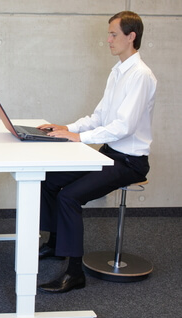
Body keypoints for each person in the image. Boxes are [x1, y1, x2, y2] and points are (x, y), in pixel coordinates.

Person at [36, 11, 157, 293]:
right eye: (109, 34)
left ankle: (75, 273)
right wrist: (66, 127)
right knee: (50, 179)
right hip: (110, 153)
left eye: (114, 34)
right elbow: (100, 116)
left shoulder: (140, 76)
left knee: (69, 196)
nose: (108, 40)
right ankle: (56, 244)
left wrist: (79, 138)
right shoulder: (117, 72)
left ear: (131, 36)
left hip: (131, 162)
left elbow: (124, 127)